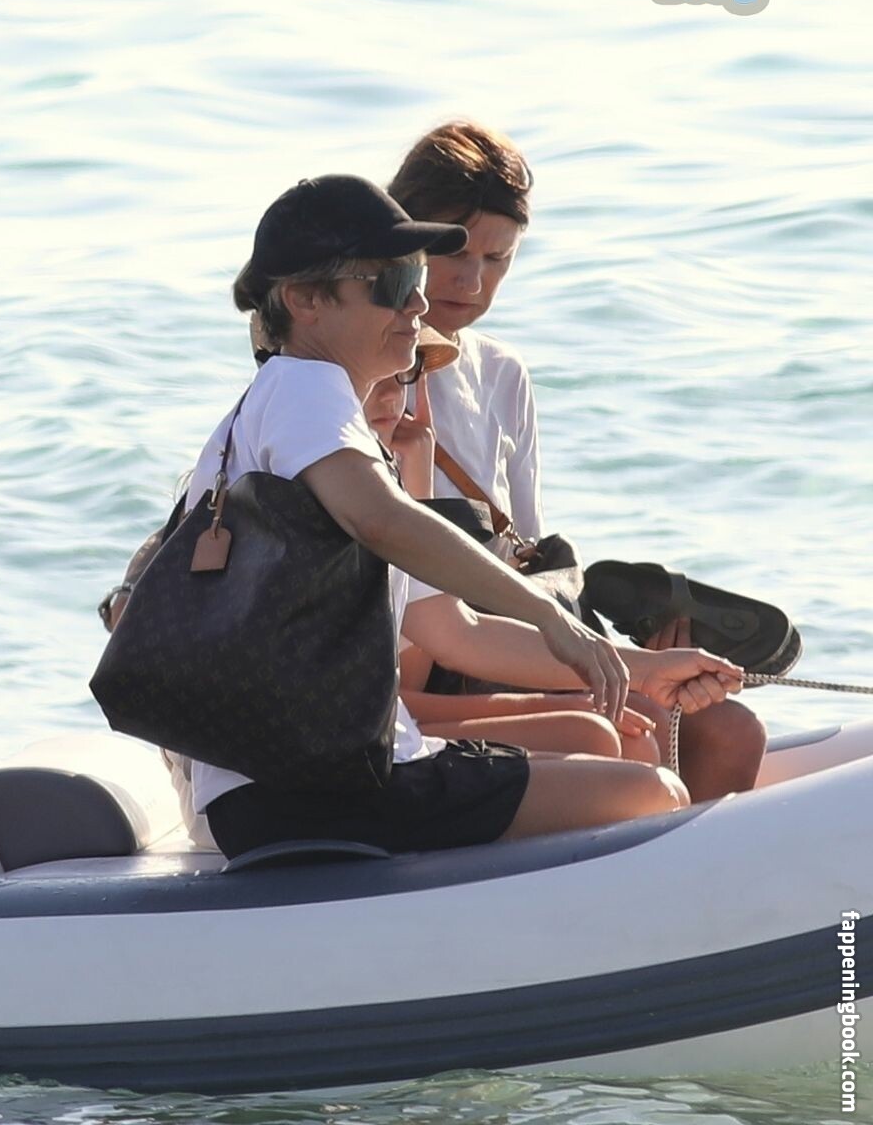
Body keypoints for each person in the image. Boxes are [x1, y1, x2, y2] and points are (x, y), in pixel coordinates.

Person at [171, 175, 740, 860]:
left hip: (323, 776)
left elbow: (455, 631)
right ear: (305, 301)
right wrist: (549, 613)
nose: (417, 303)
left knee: (638, 782)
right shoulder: (303, 387)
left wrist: (640, 667)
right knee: (651, 795)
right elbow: (384, 522)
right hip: (309, 785)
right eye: (390, 284)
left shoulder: (311, 422)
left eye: (415, 277)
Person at [386, 121, 766, 797]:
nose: (472, 279)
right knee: (641, 727)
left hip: (505, 633)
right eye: (455, 251)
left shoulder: (503, 373)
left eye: (498, 259)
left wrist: (626, 653)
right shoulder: (370, 372)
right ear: (405, 236)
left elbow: (525, 555)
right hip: (421, 654)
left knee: (733, 731)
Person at [360, 354, 660, 763]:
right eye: (371, 375)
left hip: (392, 725)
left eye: (402, 376)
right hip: (356, 740)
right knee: (594, 735)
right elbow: (403, 695)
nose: (391, 394)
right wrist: (564, 704)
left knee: (625, 729)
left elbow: (418, 670)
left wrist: (419, 475)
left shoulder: (394, 478)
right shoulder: (342, 499)